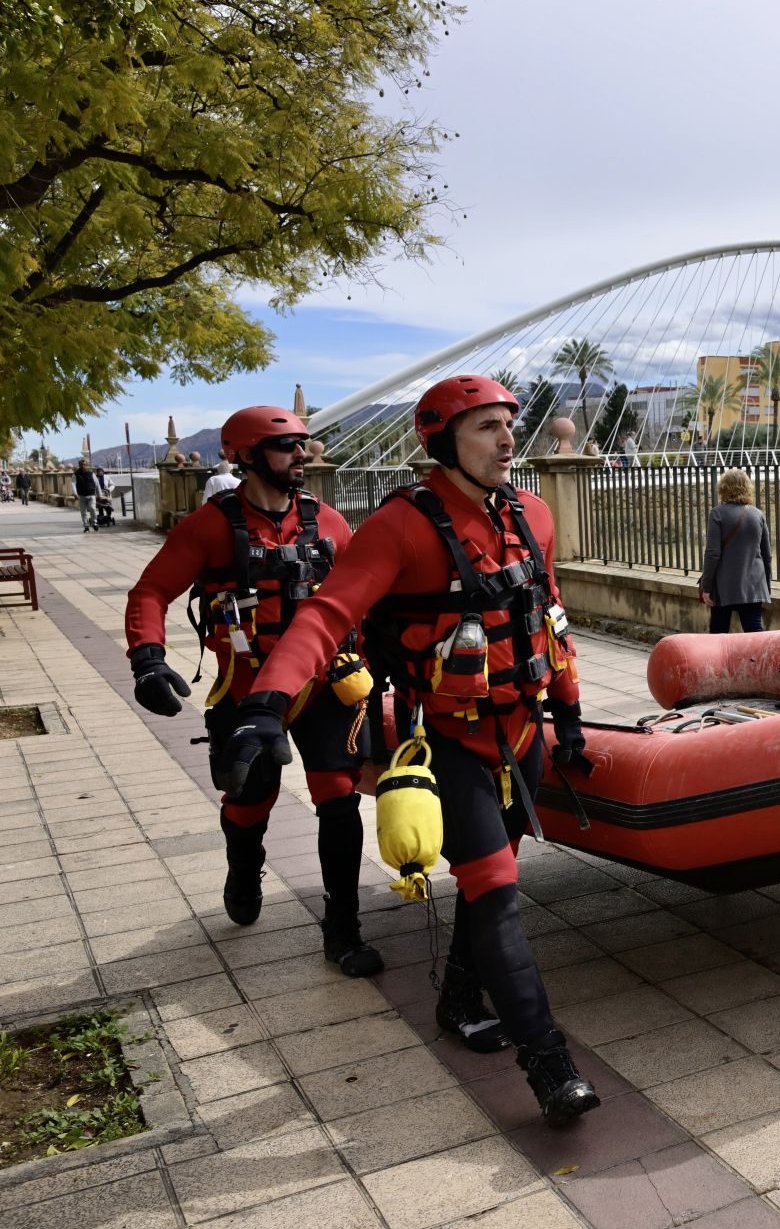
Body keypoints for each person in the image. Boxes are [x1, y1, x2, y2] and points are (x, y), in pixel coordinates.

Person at [212, 374, 599, 1124]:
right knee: (495, 889)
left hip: (523, 735)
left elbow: (550, 616)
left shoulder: (536, 516)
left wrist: (571, 717)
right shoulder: (401, 527)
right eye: (486, 427)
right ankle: (549, 1063)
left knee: (496, 885)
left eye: (507, 424)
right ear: (442, 440)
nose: (507, 439)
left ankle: (458, 998)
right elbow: (325, 617)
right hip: (449, 738)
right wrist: (265, 701)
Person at [124, 407, 382, 978]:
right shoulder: (211, 527)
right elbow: (150, 592)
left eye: (303, 444)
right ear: (246, 456)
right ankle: (244, 868)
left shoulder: (330, 524)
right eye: (286, 446)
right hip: (243, 690)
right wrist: (147, 659)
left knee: (338, 799)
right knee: (248, 801)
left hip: (325, 687)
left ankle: (343, 930)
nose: (302, 455)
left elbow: (365, 600)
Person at [700, 468, 772, 633]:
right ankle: (759, 659)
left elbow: (712, 554)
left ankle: (720, 660)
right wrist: (766, 585)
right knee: (754, 632)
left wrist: (707, 587)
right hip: (754, 585)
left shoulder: (717, 514)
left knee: (718, 633)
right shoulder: (758, 515)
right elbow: (767, 556)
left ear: (723, 488)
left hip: (724, 586)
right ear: (747, 487)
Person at [73, 459, 101, 531]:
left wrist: (99, 494)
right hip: (81, 496)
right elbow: (73, 484)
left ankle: (94, 523)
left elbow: (97, 484)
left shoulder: (91, 474)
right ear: (79, 466)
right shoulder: (75, 475)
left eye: (84, 465)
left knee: (92, 508)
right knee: (83, 512)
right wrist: (75, 493)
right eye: (81, 465)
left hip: (91, 495)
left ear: (87, 465)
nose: (83, 466)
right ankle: (86, 525)